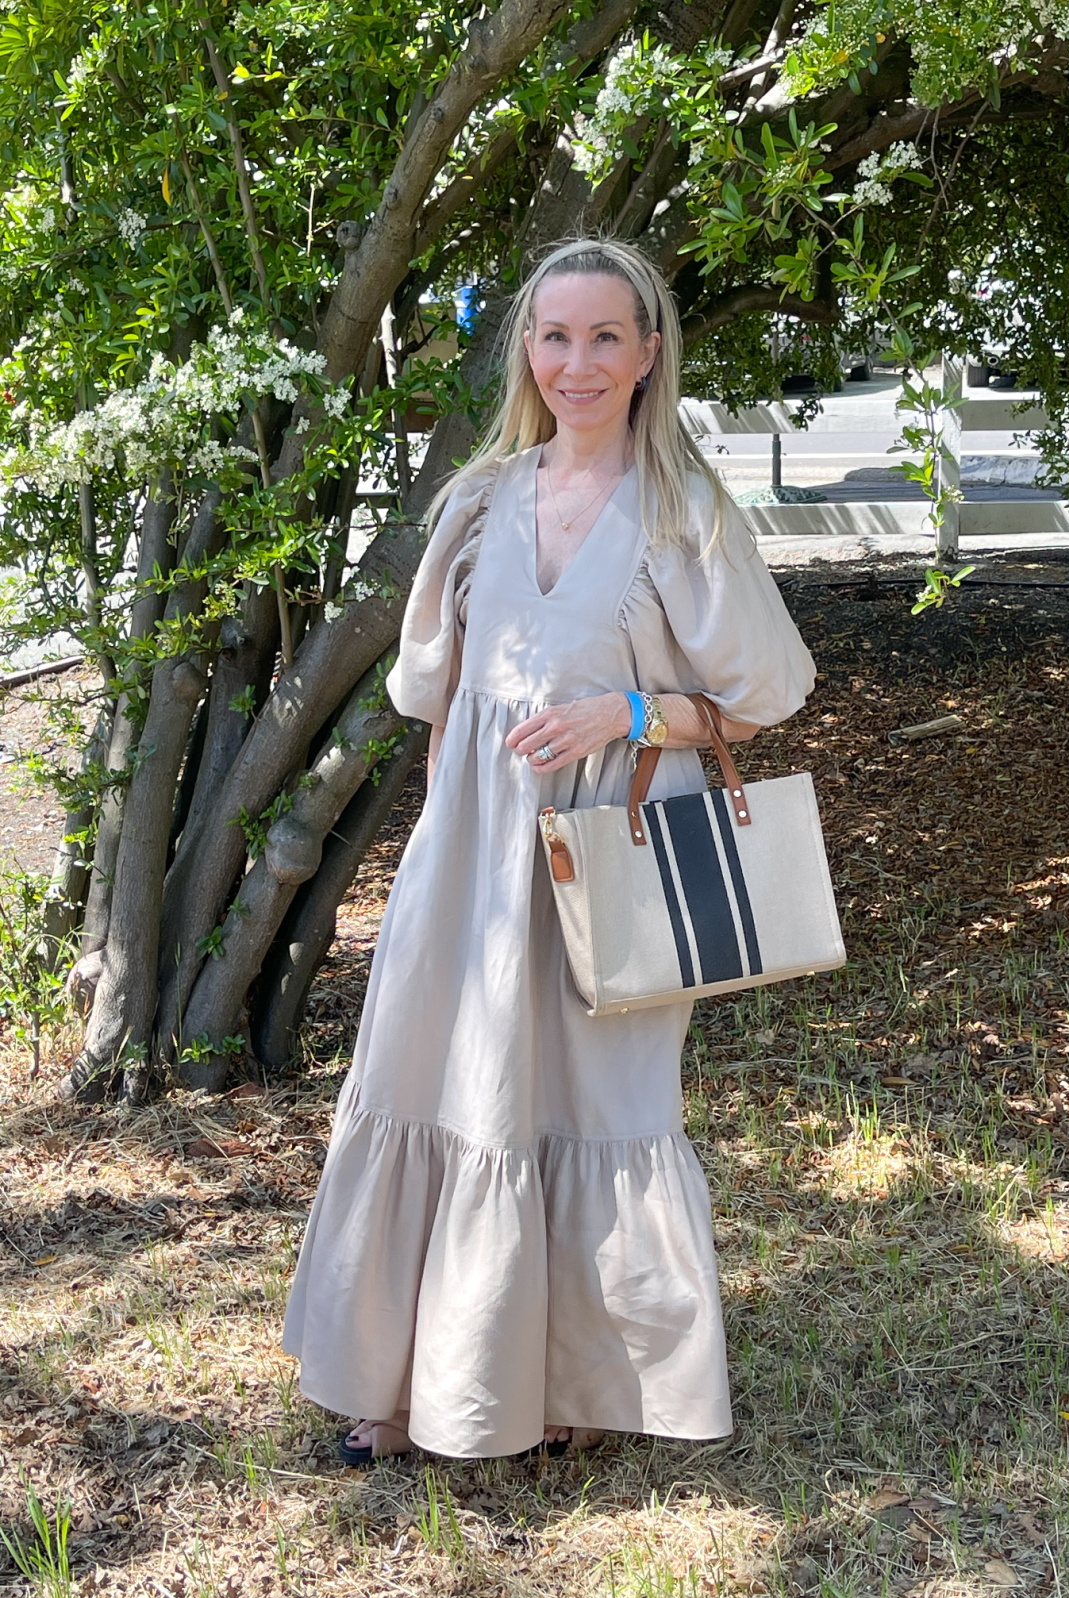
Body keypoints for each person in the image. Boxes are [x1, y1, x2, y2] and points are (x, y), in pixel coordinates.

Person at [282, 238, 816, 1462]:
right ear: (527, 351)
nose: (577, 362)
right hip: (472, 850)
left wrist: (630, 713)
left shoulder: (685, 510)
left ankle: (572, 1383)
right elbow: (446, 702)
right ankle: (400, 1378)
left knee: (593, 1101)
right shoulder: (477, 500)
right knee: (434, 1081)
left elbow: (761, 702)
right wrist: (434, 854)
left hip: (608, 852)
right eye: (555, 336)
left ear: (648, 355)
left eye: (605, 337)